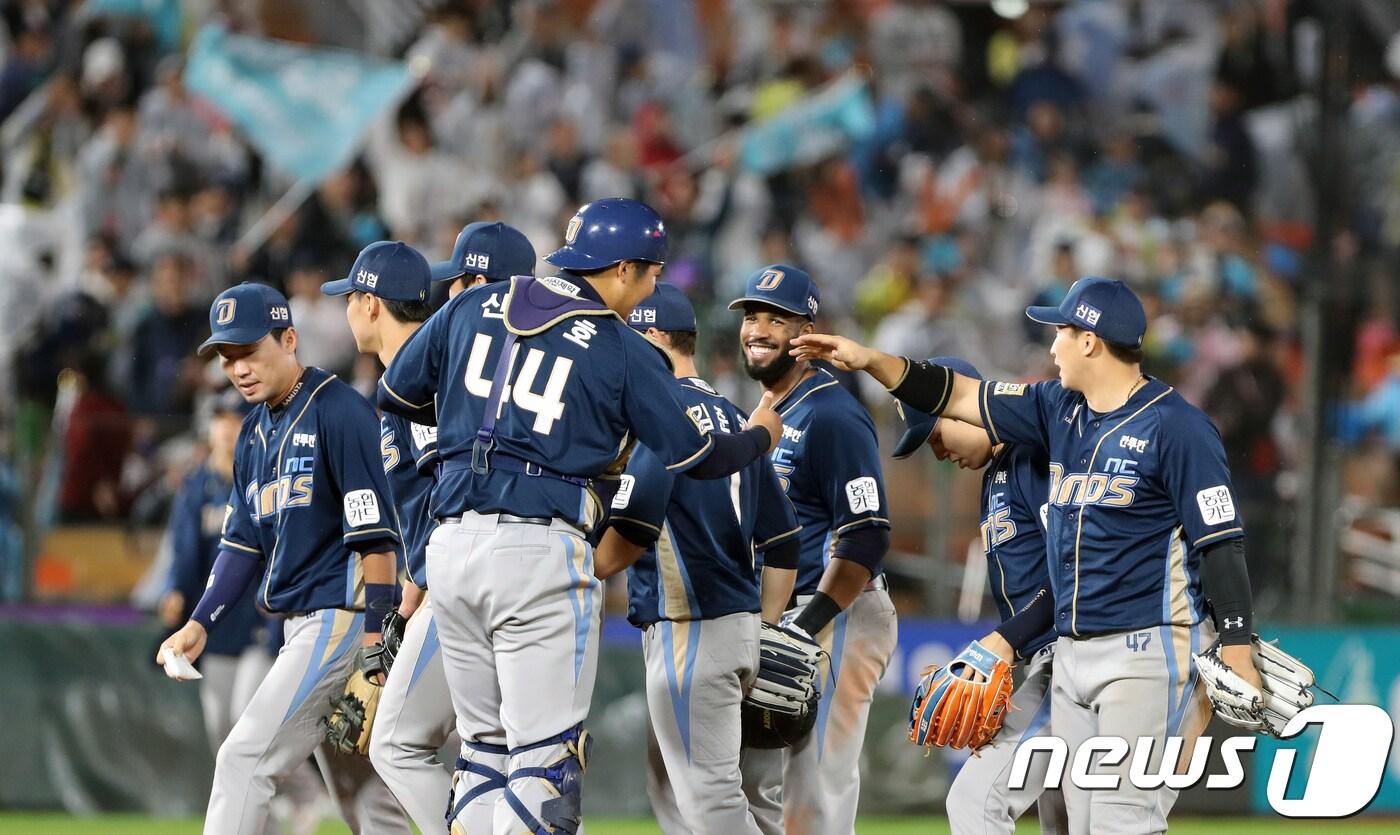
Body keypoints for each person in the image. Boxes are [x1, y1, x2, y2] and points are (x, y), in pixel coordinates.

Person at [791, 276, 1264, 834]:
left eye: (1061, 330)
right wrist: (868, 358)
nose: (1052, 344)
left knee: (1118, 824)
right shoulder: (1056, 410)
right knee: (1073, 826)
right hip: (1073, 654)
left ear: (1090, 340)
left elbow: (1219, 539)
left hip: (1150, 645)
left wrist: (1235, 642)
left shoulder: (1178, 427)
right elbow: (956, 392)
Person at [377, 198, 783, 834]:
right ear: (620, 268)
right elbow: (697, 456)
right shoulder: (622, 347)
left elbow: (395, 392)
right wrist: (760, 435)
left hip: (449, 548)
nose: (652, 284)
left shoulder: (470, 305)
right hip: (538, 549)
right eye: (649, 271)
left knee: (483, 755)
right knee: (542, 766)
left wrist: (491, 428)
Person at [156, 282, 409, 835]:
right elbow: (240, 543)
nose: (238, 367)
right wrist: (202, 621)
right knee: (364, 797)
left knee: (243, 758)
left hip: (340, 617)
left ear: (289, 339)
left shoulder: (339, 411)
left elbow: (378, 539)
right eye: (227, 357)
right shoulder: (251, 435)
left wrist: (377, 645)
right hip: (303, 625)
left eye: (249, 351)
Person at [594, 283, 801, 834]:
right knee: (678, 793)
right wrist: (768, 629)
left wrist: (573, 567)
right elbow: (783, 541)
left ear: (655, 337)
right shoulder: (734, 418)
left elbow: (628, 534)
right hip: (739, 626)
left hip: (690, 630)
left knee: (712, 804)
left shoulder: (660, 418)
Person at [730, 264, 898, 835]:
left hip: (836, 611)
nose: (758, 329)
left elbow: (867, 535)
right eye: (752, 316)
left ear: (807, 333)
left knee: (814, 793)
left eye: (777, 319)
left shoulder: (832, 414)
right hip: (784, 613)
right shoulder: (767, 412)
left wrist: (806, 625)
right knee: (754, 786)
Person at [890, 358, 1066, 835]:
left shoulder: (1033, 456)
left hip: (1075, 661)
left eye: (937, 435)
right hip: (1052, 662)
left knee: (975, 802)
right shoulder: (997, 473)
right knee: (1068, 819)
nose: (938, 451)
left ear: (964, 407)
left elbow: (1073, 572)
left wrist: (1005, 641)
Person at [320, 240, 449, 832]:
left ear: (370, 303)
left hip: (454, 580)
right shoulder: (427, 367)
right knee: (491, 748)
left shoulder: (412, 379)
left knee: (394, 744)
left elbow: (442, 490)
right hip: (462, 573)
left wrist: (414, 584)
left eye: (349, 298)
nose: (345, 309)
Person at [159, 389, 265, 756]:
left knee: (244, 719)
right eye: (220, 420)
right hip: (215, 623)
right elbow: (183, 550)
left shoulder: (260, 478)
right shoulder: (197, 487)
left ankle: (296, 796)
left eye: (235, 420)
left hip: (259, 619)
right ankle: (291, 799)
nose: (226, 429)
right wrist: (174, 589)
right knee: (220, 725)